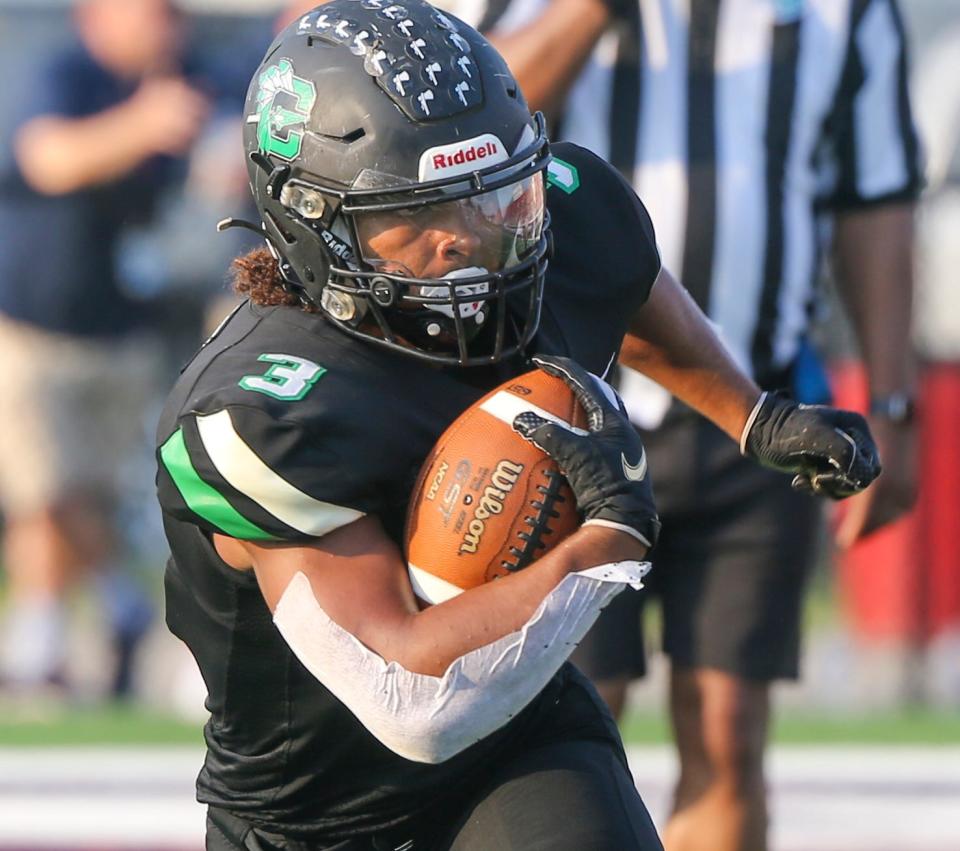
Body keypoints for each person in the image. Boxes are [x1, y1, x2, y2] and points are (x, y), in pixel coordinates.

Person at [156, 2, 879, 847]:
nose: (470, 238)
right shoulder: (265, 407)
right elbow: (411, 702)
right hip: (314, 812)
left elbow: (620, 273)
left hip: (516, 746)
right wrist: (604, 545)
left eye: (496, 195)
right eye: (419, 212)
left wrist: (752, 415)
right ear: (316, 220)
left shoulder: (551, 225)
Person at [457, 0, 922, 847]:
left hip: (759, 408)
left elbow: (875, 196)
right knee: (552, 730)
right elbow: (461, 132)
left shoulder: (847, 12)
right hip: (561, 411)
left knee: (728, 730)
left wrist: (893, 400)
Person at [0, 0, 209, 697]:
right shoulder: (67, 72)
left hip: (126, 332)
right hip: (33, 323)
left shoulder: (193, 76)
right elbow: (48, 158)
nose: (164, 23)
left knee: (94, 491)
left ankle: (94, 617)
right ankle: (55, 629)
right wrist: (142, 126)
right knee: (43, 488)